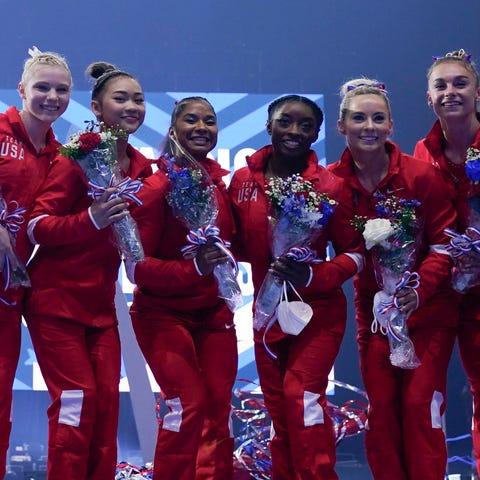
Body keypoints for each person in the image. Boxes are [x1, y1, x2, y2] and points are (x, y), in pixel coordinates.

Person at [24, 62, 152, 480]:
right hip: (56, 303)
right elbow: (37, 225)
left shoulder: (140, 166)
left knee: (105, 411)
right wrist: (91, 219)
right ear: (97, 107)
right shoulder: (76, 156)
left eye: (138, 99)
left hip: (100, 308)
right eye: (121, 98)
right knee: (76, 404)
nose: (131, 106)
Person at [328, 78, 458, 480]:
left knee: (421, 407)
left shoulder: (421, 176)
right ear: (341, 126)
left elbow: (444, 245)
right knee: (381, 415)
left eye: (377, 118)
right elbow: (343, 251)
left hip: (429, 312)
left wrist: (416, 289)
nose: (369, 126)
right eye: (359, 118)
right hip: (376, 317)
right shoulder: (333, 183)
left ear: (390, 127)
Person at [228, 94, 363, 480]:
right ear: (268, 126)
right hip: (267, 313)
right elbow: (234, 240)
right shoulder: (242, 180)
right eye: (286, 122)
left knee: (302, 399)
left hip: (316, 314)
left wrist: (312, 277)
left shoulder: (331, 186)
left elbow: (354, 253)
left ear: (317, 134)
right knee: (277, 411)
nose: (295, 132)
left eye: (306, 126)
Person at [127, 96, 238, 480]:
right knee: (185, 405)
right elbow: (138, 269)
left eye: (209, 121)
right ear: (173, 129)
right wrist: (193, 268)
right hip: (162, 315)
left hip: (214, 314)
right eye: (191, 120)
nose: (202, 127)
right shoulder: (154, 186)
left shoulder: (219, 184)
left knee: (218, 409)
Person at [0, 46, 72, 479]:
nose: (51, 97)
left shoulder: (62, 155)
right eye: (42, 87)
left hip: (9, 292)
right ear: (22, 89)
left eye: (61, 90)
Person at [414, 49, 480, 477]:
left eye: (460, 83)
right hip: (436, 289)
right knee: (424, 397)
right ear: (429, 97)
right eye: (441, 85)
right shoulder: (420, 153)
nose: (450, 92)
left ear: (478, 92)